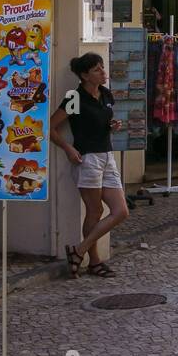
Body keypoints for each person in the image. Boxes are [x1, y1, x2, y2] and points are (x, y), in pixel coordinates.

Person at [51, 53, 125, 278]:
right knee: (95, 210)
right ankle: (94, 261)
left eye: (102, 68)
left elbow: (101, 122)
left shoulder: (105, 94)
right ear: (84, 75)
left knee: (121, 211)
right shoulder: (75, 98)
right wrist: (68, 148)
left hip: (107, 155)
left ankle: (78, 250)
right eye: (97, 70)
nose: (103, 72)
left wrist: (112, 126)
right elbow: (51, 127)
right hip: (88, 158)